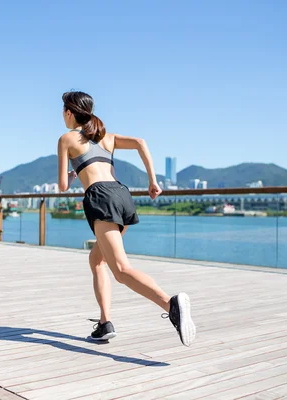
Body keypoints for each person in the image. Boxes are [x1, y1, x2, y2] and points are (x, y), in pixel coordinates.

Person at [57, 91, 196, 346]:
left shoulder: (66, 139)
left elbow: (63, 187)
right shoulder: (106, 137)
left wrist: (73, 174)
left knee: (120, 269)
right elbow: (141, 142)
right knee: (96, 260)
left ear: (69, 112)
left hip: (100, 198)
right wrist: (153, 181)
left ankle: (171, 304)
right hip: (121, 195)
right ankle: (104, 323)